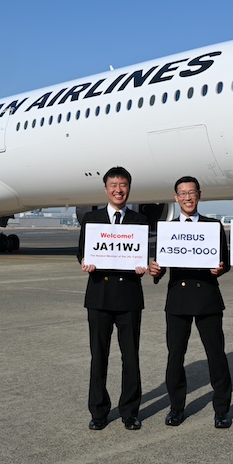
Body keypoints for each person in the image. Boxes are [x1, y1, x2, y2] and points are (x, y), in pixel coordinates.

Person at [149, 176, 233, 429]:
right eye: (182, 193)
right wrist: (156, 271)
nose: (187, 197)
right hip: (178, 299)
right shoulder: (168, 228)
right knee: (175, 357)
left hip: (207, 297)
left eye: (192, 192)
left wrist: (221, 269)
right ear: (176, 198)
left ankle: (221, 410)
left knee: (216, 356)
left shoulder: (213, 226)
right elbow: (161, 264)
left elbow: (225, 261)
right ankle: (176, 408)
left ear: (199, 195)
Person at [78, 166, 150, 431]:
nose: (118, 190)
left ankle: (130, 411)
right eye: (113, 185)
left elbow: (140, 255)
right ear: (106, 189)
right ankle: (98, 411)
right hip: (99, 296)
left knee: (131, 358)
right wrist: (85, 261)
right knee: (99, 357)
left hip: (129, 297)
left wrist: (142, 266)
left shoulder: (139, 221)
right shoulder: (91, 218)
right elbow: (81, 252)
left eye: (123, 185)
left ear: (128, 188)